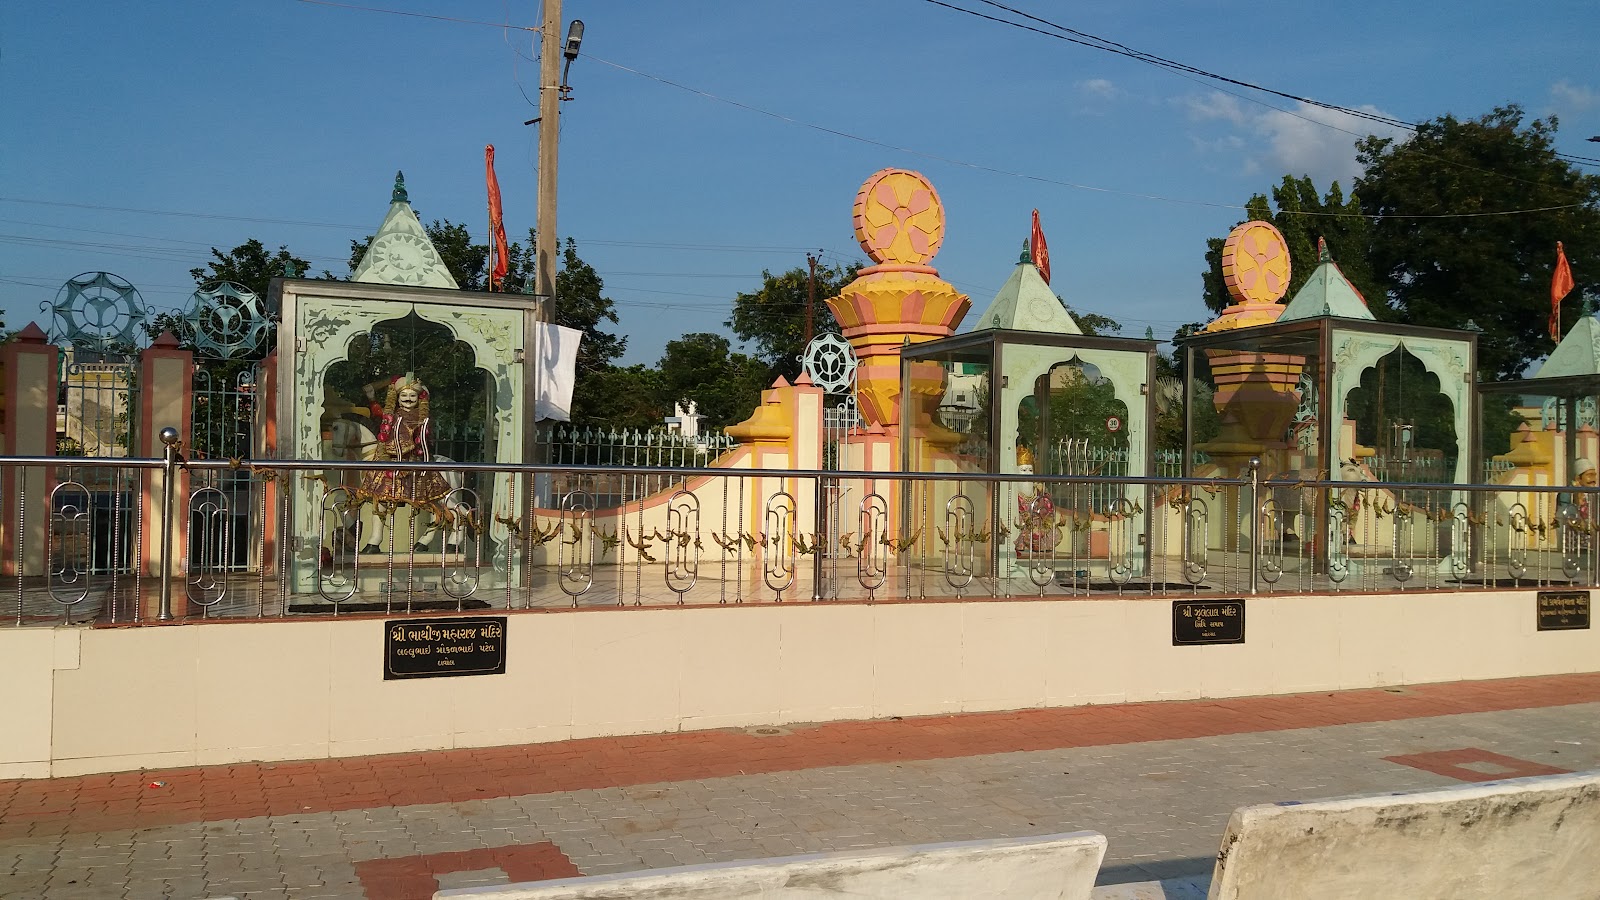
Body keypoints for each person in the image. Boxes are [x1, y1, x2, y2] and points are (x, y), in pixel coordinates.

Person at [358, 373, 451, 506]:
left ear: (418, 398)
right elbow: (379, 413)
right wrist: (372, 399)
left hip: (412, 459)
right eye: (404, 395)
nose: (408, 399)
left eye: (412, 395)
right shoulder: (392, 414)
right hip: (391, 458)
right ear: (398, 398)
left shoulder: (421, 416)